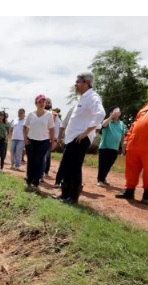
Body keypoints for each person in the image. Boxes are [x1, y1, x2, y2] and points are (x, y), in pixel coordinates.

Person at [56, 72, 105, 204]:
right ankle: (64, 194)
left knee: (74, 167)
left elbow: (100, 114)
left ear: (86, 83)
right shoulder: (82, 98)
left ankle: (73, 197)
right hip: (71, 138)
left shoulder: (93, 97)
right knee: (66, 166)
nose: (75, 84)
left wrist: (85, 132)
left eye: (78, 81)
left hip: (80, 139)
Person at [23, 94, 55, 189]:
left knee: (39, 161)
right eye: (40, 101)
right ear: (36, 103)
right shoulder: (30, 114)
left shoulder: (49, 115)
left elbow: (52, 129)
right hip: (31, 141)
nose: (42, 103)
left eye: (43, 101)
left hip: (44, 142)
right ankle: (29, 180)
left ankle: (36, 182)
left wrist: (53, 141)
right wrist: (25, 138)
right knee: (31, 160)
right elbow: (24, 127)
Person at [96, 107, 126, 186]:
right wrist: (111, 117)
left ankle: (104, 178)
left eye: (118, 112)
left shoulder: (121, 124)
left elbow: (123, 136)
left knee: (109, 164)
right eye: (115, 111)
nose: (117, 113)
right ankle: (100, 180)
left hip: (115, 148)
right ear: (111, 113)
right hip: (104, 147)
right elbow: (103, 124)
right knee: (103, 164)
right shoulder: (108, 121)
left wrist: (123, 147)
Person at [53, 107, 74, 188]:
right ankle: (58, 181)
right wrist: (59, 137)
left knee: (76, 164)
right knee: (64, 162)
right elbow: (63, 124)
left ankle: (71, 183)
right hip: (69, 140)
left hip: (81, 140)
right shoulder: (73, 109)